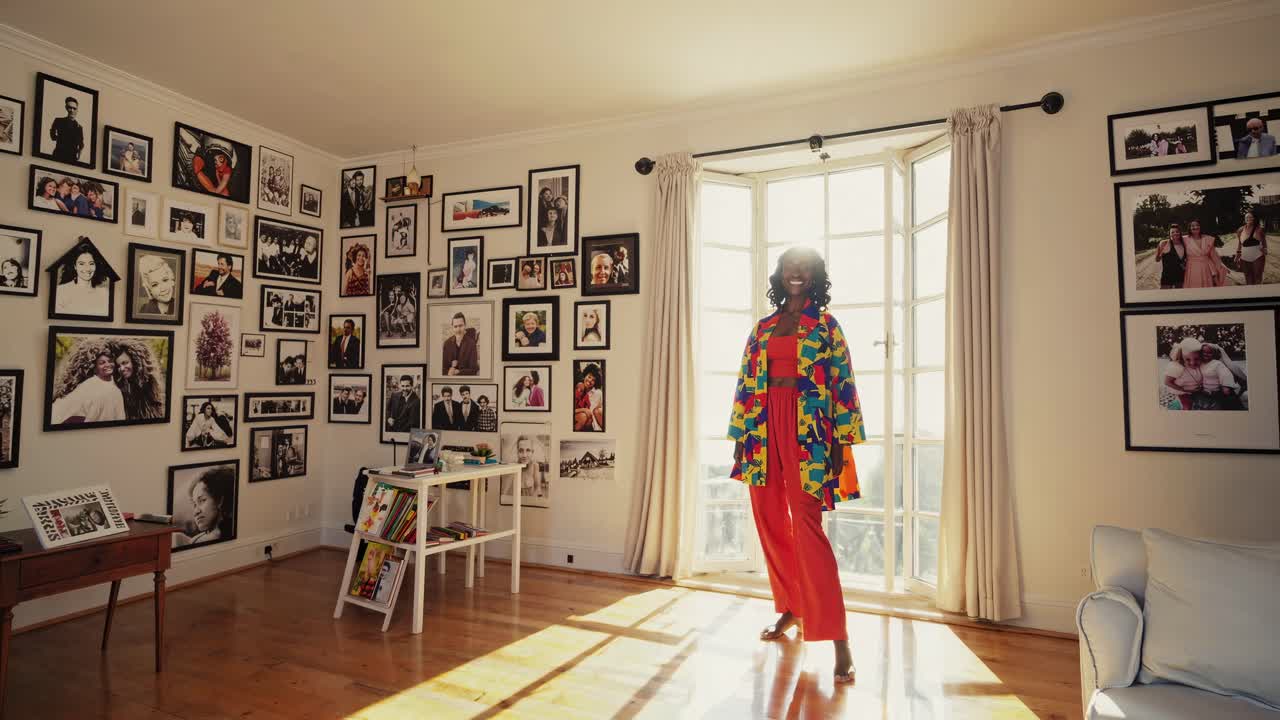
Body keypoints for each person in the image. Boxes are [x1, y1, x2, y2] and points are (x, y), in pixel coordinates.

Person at [728, 246, 866, 684]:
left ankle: (838, 637)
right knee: (769, 521)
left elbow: (843, 384)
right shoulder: (763, 327)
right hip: (763, 426)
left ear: (815, 276)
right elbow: (746, 383)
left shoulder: (826, 327)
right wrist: (739, 438)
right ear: (780, 274)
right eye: (790, 265)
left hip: (808, 431)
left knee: (808, 529)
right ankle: (792, 607)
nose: (796, 272)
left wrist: (842, 441)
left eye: (804, 267)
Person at [50, 345, 126, 424]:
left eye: (110, 361)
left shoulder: (118, 387)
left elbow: (120, 416)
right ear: (95, 368)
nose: (107, 364)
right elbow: (66, 406)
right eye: (102, 363)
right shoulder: (88, 385)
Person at [1164, 337, 1240, 411]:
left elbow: (1221, 371)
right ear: (1182, 357)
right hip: (1183, 392)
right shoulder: (1178, 367)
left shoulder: (1205, 364)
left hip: (1199, 391)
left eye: (1197, 359)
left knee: (1216, 404)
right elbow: (1167, 382)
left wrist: (1225, 384)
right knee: (1188, 408)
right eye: (1187, 359)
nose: (1192, 363)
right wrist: (1184, 390)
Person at [173, 466, 236, 548]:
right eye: (194, 505)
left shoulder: (214, 536)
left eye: (202, 500)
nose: (196, 512)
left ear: (219, 500)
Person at [55, 240, 111, 316]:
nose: (87, 268)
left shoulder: (104, 293)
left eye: (91, 263)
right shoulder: (61, 291)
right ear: (75, 266)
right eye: (81, 264)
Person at [112, 340, 165, 420]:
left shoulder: (148, 385)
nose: (121, 369)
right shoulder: (122, 386)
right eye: (119, 366)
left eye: (125, 363)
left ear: (135, 361)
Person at [1181, 219, 1228, 288]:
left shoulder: (1208, 239)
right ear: (1189, 228)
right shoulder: (1184, 239)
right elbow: (1173, 240)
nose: (1195, 227)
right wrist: (1163, 242)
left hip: (1205, 268)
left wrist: (1221, 265)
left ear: (1200, 227)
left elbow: (1214, 255)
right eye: (1192, 226)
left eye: (1197, 225)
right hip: (1192, 267)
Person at [1234, 210, 1268, 286]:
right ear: (1244, 219)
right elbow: (1240, 244)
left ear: (1253, 218)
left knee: (1257, 276)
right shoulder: (1240, 230)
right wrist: (1237, 256)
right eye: (1246, 217)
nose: (1248, 218)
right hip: (1245, 257)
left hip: (1258, 256)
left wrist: (1265, 249)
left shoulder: (1259, 229)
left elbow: (1264, 241)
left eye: (1250, 217)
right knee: (1248, 278)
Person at [50, 96, 85, 164]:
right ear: (66, 108)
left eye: (74, 108)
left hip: (72, 157)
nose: (72, 110)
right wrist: (60, 138)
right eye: (70, 108)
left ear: (77, 110)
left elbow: (81, 144)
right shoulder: (58, 121)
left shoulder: (79, 127)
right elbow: (52, 136)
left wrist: (78, 155)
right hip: (58, 154)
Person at [1154, 224, 1187, 290]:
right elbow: (1157, 259)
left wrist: (1184, 265)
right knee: (1165, 297)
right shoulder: (1164, 243)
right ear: (1169, 234)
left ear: (1180, 233)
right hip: (1167, 277)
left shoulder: (1184, 244)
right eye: (1172, 232)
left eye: (1177, 231)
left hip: (1180, 276)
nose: (1175, 233)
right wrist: (1160, 253)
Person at [573, 363, 604, 431]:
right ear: (585, 376)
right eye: (589, 377)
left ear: (595, 383)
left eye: (593, 380)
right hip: (582, 418)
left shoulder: (598, 393)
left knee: (598, 411)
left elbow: (601, 409)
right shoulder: (578, 388)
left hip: (594, 423)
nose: (590, 381)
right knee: (583, 416)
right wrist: (584, 410)